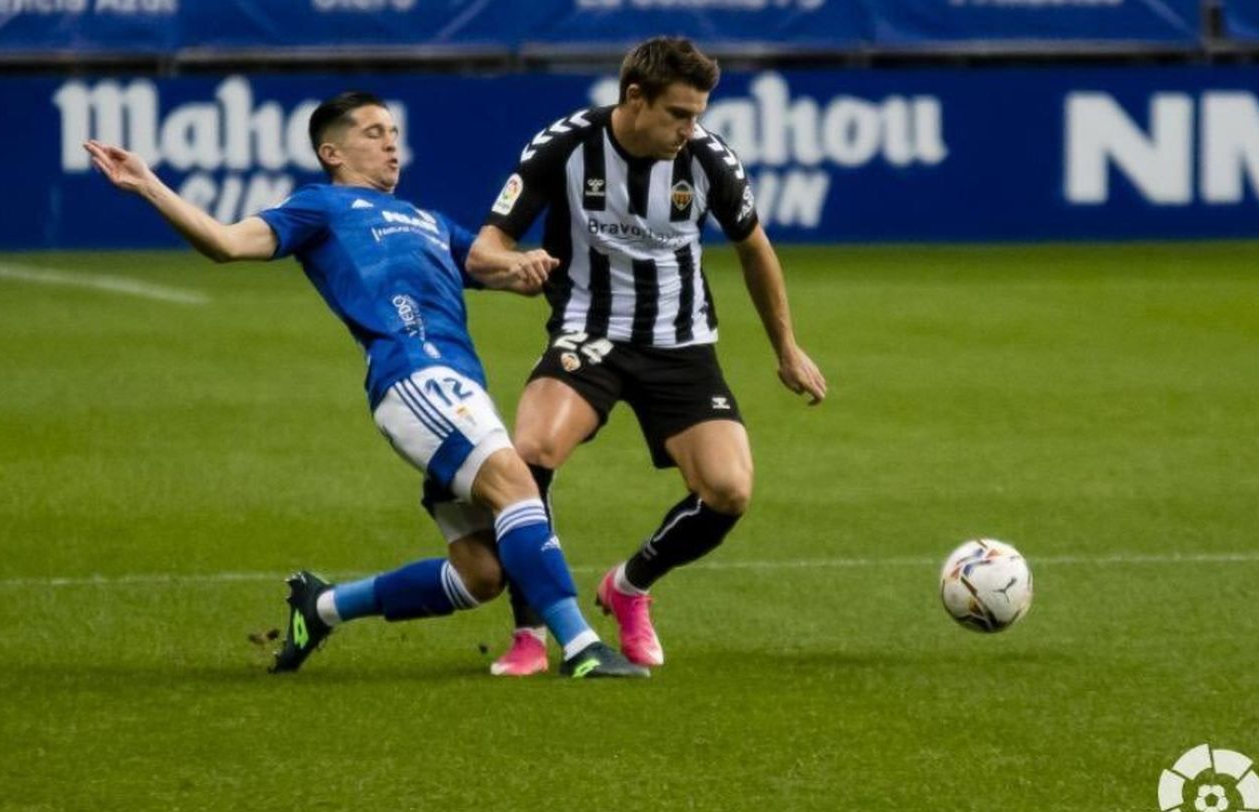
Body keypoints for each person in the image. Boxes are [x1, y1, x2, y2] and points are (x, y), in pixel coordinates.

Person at [85, 91, 647, 679]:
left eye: (394, 133)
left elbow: (490, 264)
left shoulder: (429, 221)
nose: (390, 144)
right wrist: (149, 184)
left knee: (481, 575)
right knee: (516, 482)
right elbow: (226, 243)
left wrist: (523, 267)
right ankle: (582, 646)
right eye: (374, 132)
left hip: (458, 385)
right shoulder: (320, 208)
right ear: (332, 151)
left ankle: (324, 606)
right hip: (412, 378)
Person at [473, 37, 828, 676]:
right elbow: (485, 246)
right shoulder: (563, 146)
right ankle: (532, 632)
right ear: (635, 98)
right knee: (530, 455)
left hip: (681, 344)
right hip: (589, 334)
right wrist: (513, 262)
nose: (691, 130)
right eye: (679, 115)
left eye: (698, 115)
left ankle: (629, 587)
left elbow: (755, 249)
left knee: (728, 491)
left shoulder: (709, 160)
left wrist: (787, 348)